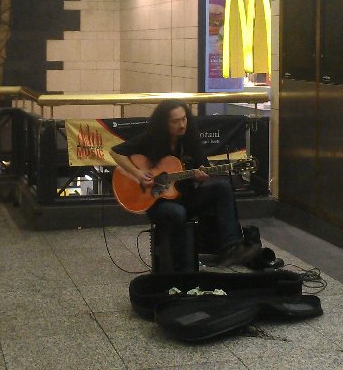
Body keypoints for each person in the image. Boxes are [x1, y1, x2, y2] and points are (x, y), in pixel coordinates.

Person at [110, 100, 258, 273]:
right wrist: (138, 174)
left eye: (184, 119)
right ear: (163, 123)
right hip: (158, 203)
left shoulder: (191, 141)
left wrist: (202, 177)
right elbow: (115, 152)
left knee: (222, 187)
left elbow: (203, 171)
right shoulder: (150, 139)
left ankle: (231, 247)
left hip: (187, 198)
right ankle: (180, 266)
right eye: (175, 121)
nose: (181, 125)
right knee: (176, 213)